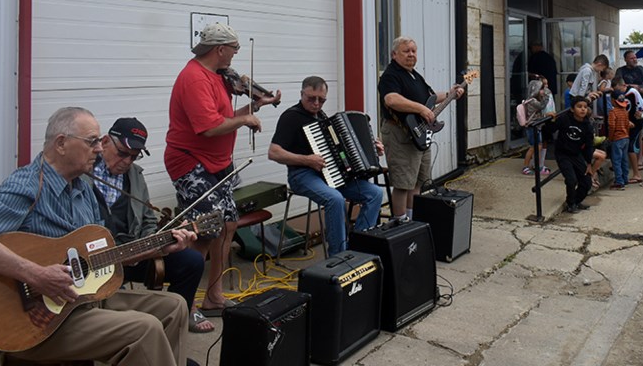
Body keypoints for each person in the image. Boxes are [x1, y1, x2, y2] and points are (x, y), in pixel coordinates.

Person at [0, 107, 193, 365]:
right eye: (92, 141)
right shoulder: (28, 185)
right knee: (144, 328)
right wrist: (35, 274)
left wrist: (159, 248)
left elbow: (102, 257)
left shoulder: (83, 190)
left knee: (174, 307)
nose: (99, 148)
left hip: (83, 299)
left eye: (98, 141)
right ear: (61, 144)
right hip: (41, 317)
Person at [164, 22, 281, 317]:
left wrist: (256, 107)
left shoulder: (217, 76)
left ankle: (214, 295)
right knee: (203, 231)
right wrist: (245, 121)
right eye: (234, 49)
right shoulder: (194, 79)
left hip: (217, 162)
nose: (235, 55)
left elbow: (225, 116)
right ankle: (185, 304)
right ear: (220, 49)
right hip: (191, 161)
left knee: (227, 224)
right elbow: (207, 128)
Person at [89, 117, 211, 334]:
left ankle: (173, 325)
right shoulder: (82, 170)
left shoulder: (135, 175)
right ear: (105, 142)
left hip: (132, 252)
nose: (127, 161)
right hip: (92, 259)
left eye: (133, 156)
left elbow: (147, 219)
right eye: (122, 153)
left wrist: (154, 241)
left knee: (191, 261)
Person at [268, 76, 384, 251]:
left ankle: (359, 247)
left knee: (374, 193)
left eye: (321, 100)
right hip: (302, 175)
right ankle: (339, 256)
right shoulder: (291, 117)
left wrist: (372, 151)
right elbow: (273, 152)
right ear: (301, 94)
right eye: (311, 98)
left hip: (330, 175)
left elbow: (341, 152)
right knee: (335, 199)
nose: (316, 104)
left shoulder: (322, 117)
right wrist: (306, 160)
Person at [379, 36, 465, 219]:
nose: (411, 54)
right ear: (395, 54)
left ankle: (412, 220)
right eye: (406, 51)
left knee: (417, 182)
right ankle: (400, 224)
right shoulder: (390, 75)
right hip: (400, 134)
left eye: (413, 51)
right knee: (403, 184)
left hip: (419, 135)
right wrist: (421, 109)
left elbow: (431, 98)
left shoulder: (415, 75)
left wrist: (451, 94)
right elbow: (391, 99)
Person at [552, 96, 595, 212]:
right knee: (571, 180)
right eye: (579, 107)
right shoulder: (564, 119)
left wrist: (589, 163)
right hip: (563, 154)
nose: (583, 109)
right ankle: (570, 204)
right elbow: (551, 129)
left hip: (576, 154)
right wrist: (551, 119)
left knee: (586, 182)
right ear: (572, 109)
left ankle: (576, 201)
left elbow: (589, 145)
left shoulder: (588, 125)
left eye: (585, 107)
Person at [520, 79, 553, 176]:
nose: (543, 91)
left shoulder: (534, 100)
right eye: (542, 89)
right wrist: (547, 95)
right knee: (533, 147)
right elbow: (541, 107)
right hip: (532, 127)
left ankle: (538, 166)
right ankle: (526, 167)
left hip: (537, 127)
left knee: (538, 147)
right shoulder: (532, 101)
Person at [607, 90, 632, 190]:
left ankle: (619, 181)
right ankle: (625, 179)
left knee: (616, 160)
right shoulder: (625, 111)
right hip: (626, 137)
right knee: (624, 160)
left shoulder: (613, 112)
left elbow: (611, 126)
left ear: (613, 100)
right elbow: (627, 125)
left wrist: (611, 137)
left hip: (617, 138)